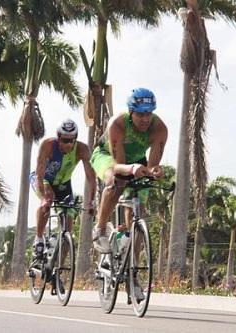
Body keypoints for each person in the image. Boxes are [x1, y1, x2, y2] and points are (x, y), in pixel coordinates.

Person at [90, 88, 168, 300]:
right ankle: (99, 229)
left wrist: (155, 171)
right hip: (109, 158)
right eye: (140, 114)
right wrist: (132, 169)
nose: (145, 119)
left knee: (136, 217)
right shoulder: (117, 124)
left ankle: (132, 276)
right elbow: (118, 166)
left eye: (148, 113)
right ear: (131, 112)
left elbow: (152, 165)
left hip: (136, 161)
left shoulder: (159, 128)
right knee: (115, 182)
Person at [30, 119, 96, 259]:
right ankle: (39, 238)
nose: (68, 144)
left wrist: (91, 201)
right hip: (44, 180)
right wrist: (43, 199)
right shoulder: (48, 145)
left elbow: (91, 177)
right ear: (58, 137)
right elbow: (40, 173)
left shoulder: (82, 149)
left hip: (63, 184)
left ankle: (58, 267)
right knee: (48, 198)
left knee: (68, 228)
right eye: (65, 140)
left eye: (72, 141)